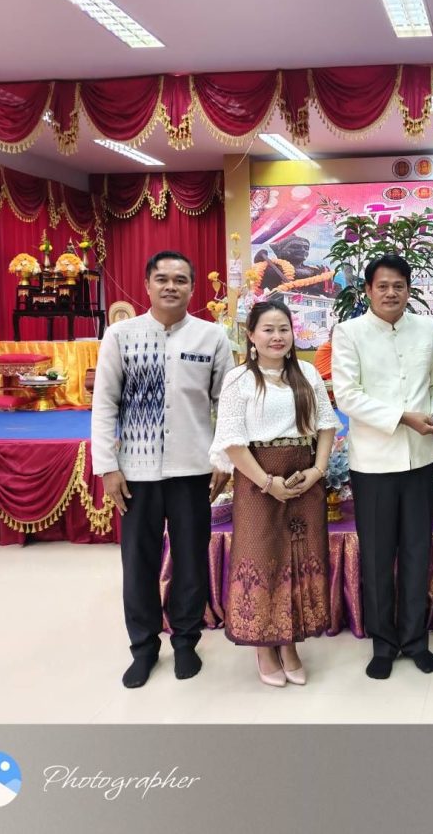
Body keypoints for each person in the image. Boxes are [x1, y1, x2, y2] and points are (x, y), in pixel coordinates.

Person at [92, 251, 235, 689]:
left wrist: (223, 459)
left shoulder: (211, 337)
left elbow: (228, 405)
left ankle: (186, 642)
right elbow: (104, 403)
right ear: (147, 284)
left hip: (193, 471)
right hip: (135, 474)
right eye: (162, 278)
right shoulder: (121, 336)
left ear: (192, 287)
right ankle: (144, 647)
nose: (171, 286)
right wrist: (107, 467)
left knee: (191, 560)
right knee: (139, 564)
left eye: (180, 279)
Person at [332, 255, 433, 679]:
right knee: (378, 556)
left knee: (418, 552)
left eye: (399, 285)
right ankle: (383, 644)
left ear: (408, 289)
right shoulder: (349, 333)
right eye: (382, 286)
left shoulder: (426, 328)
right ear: (368, 290)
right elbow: (347, 395)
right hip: (374, 463)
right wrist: (403, 417)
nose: (391, 293)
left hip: (421, 458)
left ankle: (415, 640)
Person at [209, 300, 337, 686]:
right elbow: (232, 441)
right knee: (262, 557)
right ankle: (264, 645)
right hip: (257, 479)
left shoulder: (308, 373)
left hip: (304, 478)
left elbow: (326, 425)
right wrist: (267, 483)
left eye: (284, 329)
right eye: (267, 329)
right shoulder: (239, 379)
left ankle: (290, 641)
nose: (277, 337)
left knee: (299, 557)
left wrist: (317, 470)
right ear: (251, 335)